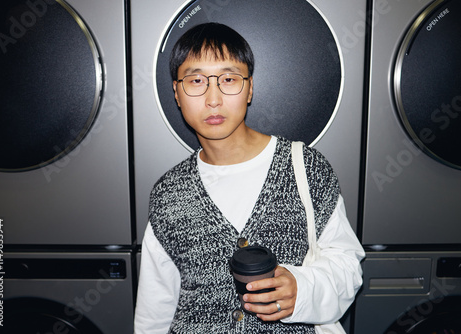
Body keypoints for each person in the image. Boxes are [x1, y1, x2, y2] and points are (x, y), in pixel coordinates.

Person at [134, 22, 364, 333]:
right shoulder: (168, 193)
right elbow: (155, 308)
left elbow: (347, 266)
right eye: (196, 80)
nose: (213, 98)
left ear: (250, 88)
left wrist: (302, 289)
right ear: (177, 92)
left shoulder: (306, 168)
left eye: (229, 79)